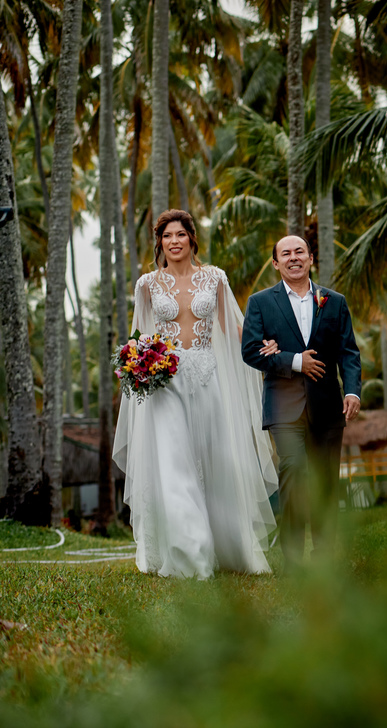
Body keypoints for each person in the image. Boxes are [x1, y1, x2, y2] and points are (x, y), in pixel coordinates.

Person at [113, 210, 279, 578]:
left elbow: (232, 326)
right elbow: (139, 335)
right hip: (166, 380)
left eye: (180, 235)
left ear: (191, 239)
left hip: (208, 375)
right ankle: (190, 551)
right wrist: (136, 362)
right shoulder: (147, 285)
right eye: (167, 236)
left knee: (216, 459)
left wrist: (260, 344)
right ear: (160, 243)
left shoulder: (215, 277)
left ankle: (229, 547)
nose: (173, 242)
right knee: (175, 464)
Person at [240, 235, 362, 568]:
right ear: (276, 263)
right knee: (292, 471)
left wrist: (352, 391)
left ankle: (324, 554)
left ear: (310, 258)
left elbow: (348, 351)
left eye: (299, 252)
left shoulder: (333, 301)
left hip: (327, 405)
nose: (293, 258)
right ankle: (292, 557)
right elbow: (251, 350)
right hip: (284, 406)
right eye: (285, 254)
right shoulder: (261, 303)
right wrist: (294, 361)